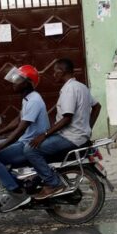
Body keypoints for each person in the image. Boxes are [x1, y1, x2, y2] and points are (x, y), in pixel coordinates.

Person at [25, 58, 101, 200]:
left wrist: (44, 134)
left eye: (55, 71)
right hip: (78, 136)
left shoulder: (69, 90)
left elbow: (67, 118)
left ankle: (53, 184)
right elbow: (97, 106)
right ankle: (40, 178)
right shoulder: (81, 86)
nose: (54, 75)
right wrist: (88, 128)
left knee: (30, 150)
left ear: (62, 71)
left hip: (70, 137)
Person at [0, 64, 49, 211]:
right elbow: (18, 121)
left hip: (29, 145)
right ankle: (15, 183)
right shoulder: (27, 99)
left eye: (18, 79)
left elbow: (20, 129)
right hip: (24, 141)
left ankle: (17, 192)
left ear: (28, 83)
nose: (14, 82)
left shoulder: (34, 101)